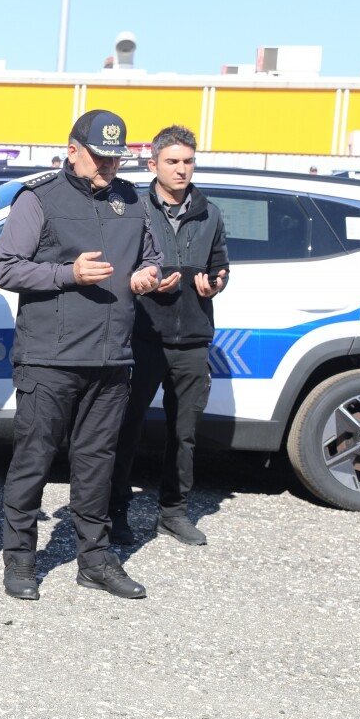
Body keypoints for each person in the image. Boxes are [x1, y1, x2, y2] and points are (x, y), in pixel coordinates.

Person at [0, 109, 162, 602]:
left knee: (97, 464)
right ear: (72, 150)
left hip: (112, 358)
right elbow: (8, 269)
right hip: (50, 357)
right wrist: (68, 273)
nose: (109, 168)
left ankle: (95, 558)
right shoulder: (38, 197)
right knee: (34, 459)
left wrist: (148, 275)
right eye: (100, 158)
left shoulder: (132, 199)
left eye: (116, 159)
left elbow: (149, 255)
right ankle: (21, 559)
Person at [110, 125, 229, 546]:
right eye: (173, 161)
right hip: (142, 335)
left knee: (184, 433)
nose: (182, 170)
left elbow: (221, 264)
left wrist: (216, 283)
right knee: (127, 427)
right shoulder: (134, 208)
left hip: (193, 337)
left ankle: (174, 513)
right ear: (153, 164)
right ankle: (116, 512)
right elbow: (117, 266)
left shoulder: (209, 212)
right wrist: (143, 281)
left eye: (188, 161)